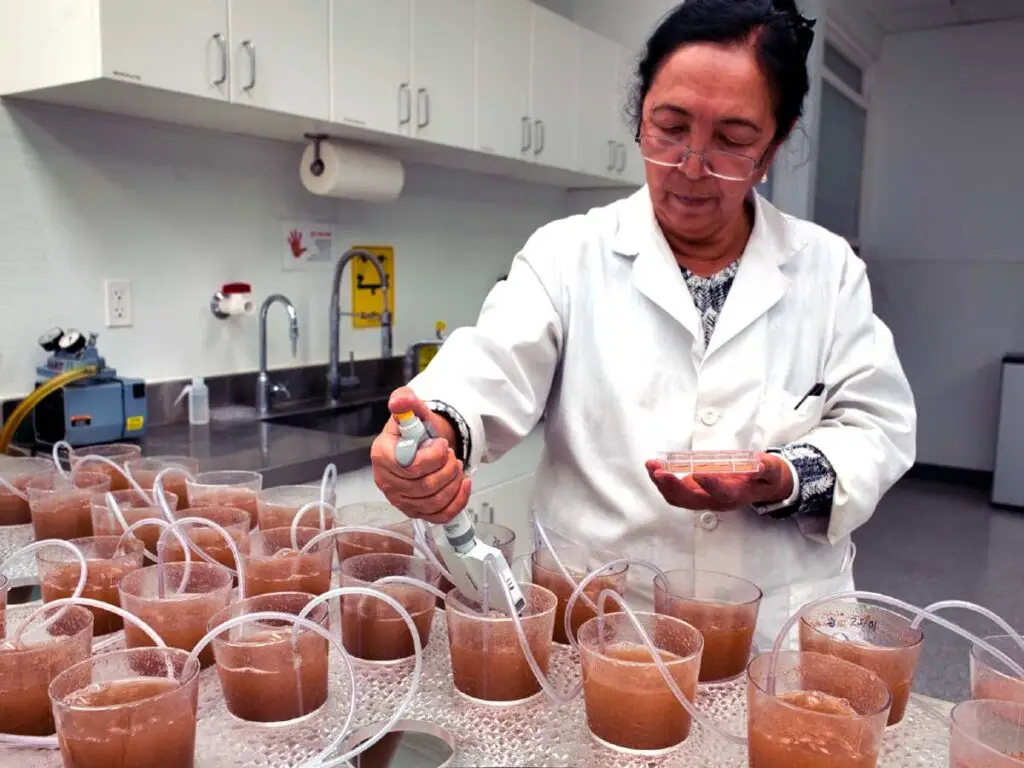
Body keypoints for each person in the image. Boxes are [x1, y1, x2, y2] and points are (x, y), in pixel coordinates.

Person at [370, 0, 916, 644]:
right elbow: (490, 366)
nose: (691, 167)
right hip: (605, 615)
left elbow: (876, 426)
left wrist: (788, 475)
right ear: (640, 116)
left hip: (777, 628)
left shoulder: (828, 270)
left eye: (733, 140)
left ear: (772, 148)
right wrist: (434, 430)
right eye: (670, 127)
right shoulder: (567, 253)